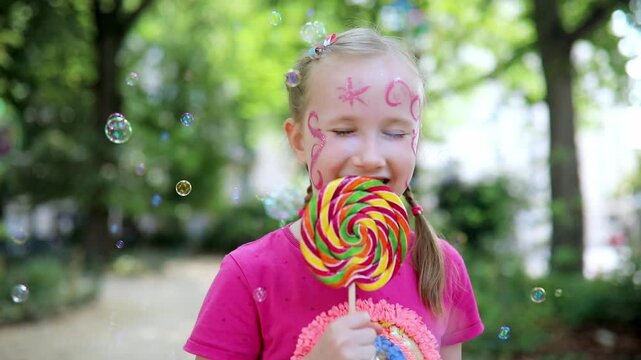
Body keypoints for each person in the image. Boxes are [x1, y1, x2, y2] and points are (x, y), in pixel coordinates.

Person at [184, 28, 484, 360]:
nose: (370, 157)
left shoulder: (441, 267)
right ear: (299, 141)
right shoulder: (249, 274)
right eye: (344, 130)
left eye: (396, 132)